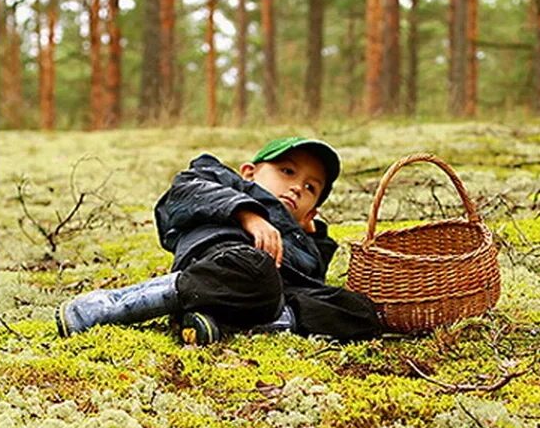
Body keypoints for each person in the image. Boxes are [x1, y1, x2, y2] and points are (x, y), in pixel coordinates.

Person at [56, 137, 382, 344]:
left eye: (311, 187)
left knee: (360, 311)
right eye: (287, 171)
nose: (298, 186)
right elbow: (183, 191)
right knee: (256, 268)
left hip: (266, 295)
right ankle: (111, 306)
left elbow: (312, 282)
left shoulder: (299, 233)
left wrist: (315, 239)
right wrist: (248, 215)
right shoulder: (223, 180)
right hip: (222, 263)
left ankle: (220, 323)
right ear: (249, 172)